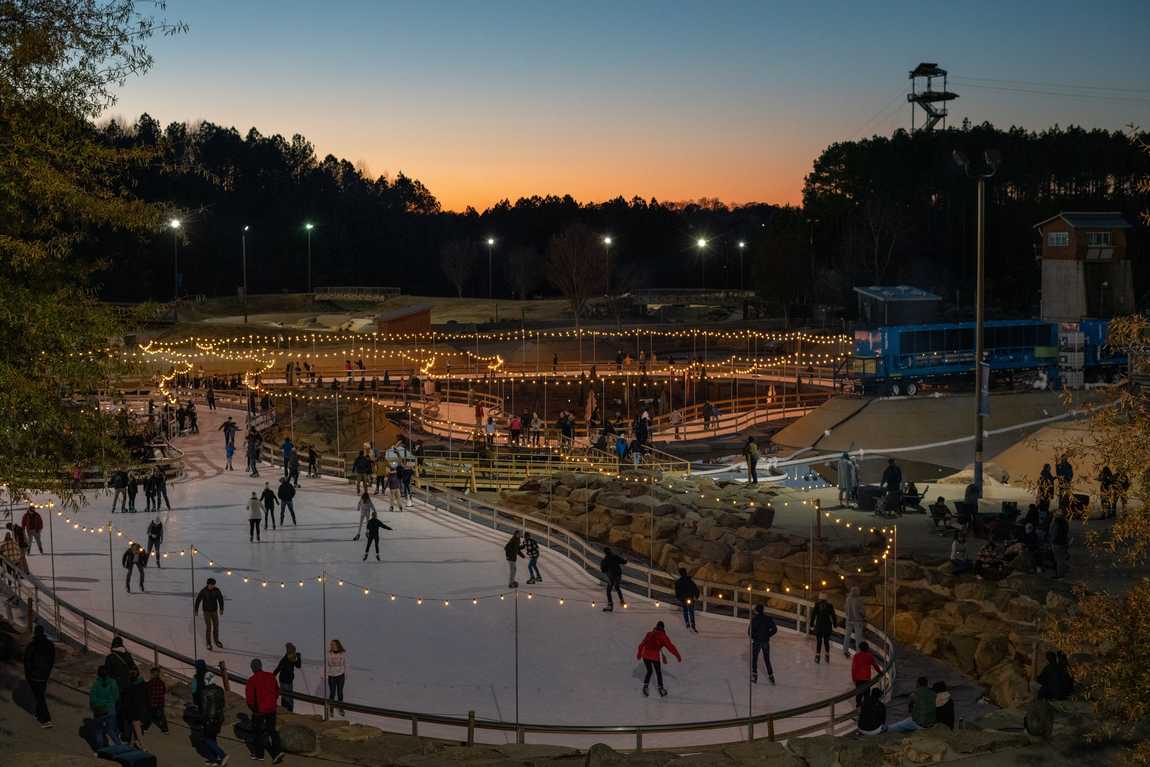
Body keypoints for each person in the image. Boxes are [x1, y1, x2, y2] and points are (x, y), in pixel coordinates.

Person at [244, 659, 285, 763]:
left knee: (258, 733)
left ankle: (259, 754)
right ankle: (277, 751)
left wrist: (254, 709)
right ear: (261, 666)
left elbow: (250, 700)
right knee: (272, 730)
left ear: (252, 668)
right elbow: (277, 691)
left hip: (259, 711)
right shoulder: (271, 676)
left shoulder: (251, 680)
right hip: (271, 708)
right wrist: (272, 702)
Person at [636, 620, 681, 697]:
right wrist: (677, 655)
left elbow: (641, 645)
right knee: (658, 672)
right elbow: (671, 647)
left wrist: (639, 654)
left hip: (645, 655)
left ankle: (645, 686)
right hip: (654, 656)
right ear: (663, 628)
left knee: (649, 671)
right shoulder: (663, 637)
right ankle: (661, 689)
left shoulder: (649, 634)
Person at [104, 636, 137, 740]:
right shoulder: (128, 656)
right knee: (126, 712)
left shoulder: (110, 657)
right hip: (128, 688)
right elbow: (136, 672)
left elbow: (107, 675)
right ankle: (127, 734)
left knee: (116, 711)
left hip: (116, 689)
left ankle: (115, 731)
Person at [23, 624, 55, 728]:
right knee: (40, 695)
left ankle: (46, 719)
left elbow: (27, 662)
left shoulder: (32, 645)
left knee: (40, 697)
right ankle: (38, 713)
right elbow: (52, 660)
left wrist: (28, 675)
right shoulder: (50, 645)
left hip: (34, 676)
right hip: (44, 676)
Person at [89, 665, 122, 749]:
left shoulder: (96, 684)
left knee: (98, 731)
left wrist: (99, 705)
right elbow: (116, 696)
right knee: (111, 730)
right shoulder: (113, 682)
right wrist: (109, 703)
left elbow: (92, 699)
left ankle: (100, 750)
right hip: (111, 710)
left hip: (99, 711)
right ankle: (119, 747)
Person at [200, 671, 229, 766]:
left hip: (209, 719)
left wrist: (202, 720)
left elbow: (204, 708)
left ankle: (222, 755)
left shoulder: (204, 691)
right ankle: (213, 759)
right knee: (212, 738)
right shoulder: (220, 690)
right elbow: (223, 704)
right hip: (219, 718)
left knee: (206, 738)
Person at [120, 667, 149, 747]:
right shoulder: (143, 685)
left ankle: (143, 747)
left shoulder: (131, 686)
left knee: (137, 729)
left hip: (135, 711)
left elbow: (127, 699)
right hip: (139, 710)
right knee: (134, 729)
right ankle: (131, 744)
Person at [749, 604, 778, 684]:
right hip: (765, 641)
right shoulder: (768, 619)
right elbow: (775, 629)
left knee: (755, 659)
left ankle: (754, 676)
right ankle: (771, 676)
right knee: (767, 659)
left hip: (757, 642)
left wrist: (754, 637)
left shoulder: (754, 619)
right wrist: (768, 635)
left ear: (757, 611)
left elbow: (749, 632)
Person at [194, 578, 225, 651]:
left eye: (213, 585)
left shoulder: (216, 590)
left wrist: (221, 609)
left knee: (216, 626)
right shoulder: (204, 591)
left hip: (214, 611)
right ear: (208, 584)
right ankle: (208, 643)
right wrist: (196, 610)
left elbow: (220, 599)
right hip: (206, 612)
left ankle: (216, 641)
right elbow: (198, 600)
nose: (212, 586)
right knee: (209, 627)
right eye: (211, 585)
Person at [274, 643, 302, 713]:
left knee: (286, 697)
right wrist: (298, 657)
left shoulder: (289, 658)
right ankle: (288, 711)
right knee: (287, 697)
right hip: (286, 680)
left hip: (287, 680)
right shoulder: (288, 658)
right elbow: (298, 665)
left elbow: (278, 669)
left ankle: (287, 711)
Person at [810, 592, 837, 663]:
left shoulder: (817, 605)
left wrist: (811, 624)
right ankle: (827, 656)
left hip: (819, 626)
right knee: (826, 641)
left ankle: (817, 657)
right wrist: (834, 624)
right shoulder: (830, 605)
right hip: (827, 626)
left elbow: (813, 615)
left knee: (819, 641)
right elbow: (833, 616)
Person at [674, 568, 699, 632]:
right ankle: (690, 623)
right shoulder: (689, 581)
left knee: (686, 611)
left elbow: (677, 591)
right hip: (688, 598)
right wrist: (696, 596)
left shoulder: (680, 582)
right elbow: (696, 589)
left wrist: (678, 597)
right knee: (690, 611)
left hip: (685, 598)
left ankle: (688, 622)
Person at [843, 586, 866, 657]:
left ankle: (845, 650)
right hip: (858, 621)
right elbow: (862, 611)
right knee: (858, 638)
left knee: (847, 636)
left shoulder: (848, 599)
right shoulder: (859, 600)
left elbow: (845, 609)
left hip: (849, 620)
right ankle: (858, 653)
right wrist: (864, 616)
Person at [327, 639, 347, 716]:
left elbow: (342, 663)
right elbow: (330, 663)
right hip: (332, 675)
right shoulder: (329, 654)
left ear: (337, 645)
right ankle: (331, 709)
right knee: (332, 693)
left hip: (341, 675)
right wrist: (335, 660)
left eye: (333, 644)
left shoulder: (342, 653)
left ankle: (341, 708)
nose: (331, 646)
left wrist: (337, 662)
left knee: (340, 693)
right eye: (331, 644)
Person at [146, 667, 168, 733]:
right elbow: (164, 691)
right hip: (160, 703)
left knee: (149, 715)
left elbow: (148, 692)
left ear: (152, 674)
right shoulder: (161, 682)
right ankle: (165, 729)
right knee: (162, 716)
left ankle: (146, 727)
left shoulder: (150, 683)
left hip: (152, 702)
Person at [1051, 510, 1070, 578]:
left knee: (1059, 560)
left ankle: (1060, 574)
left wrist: (1052, 541)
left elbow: (1054, 534)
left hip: (1057, 543)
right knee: (1062, 559)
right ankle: (1063, 571)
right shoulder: (1065, 523)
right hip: (1063, 542)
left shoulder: (1057, 523)